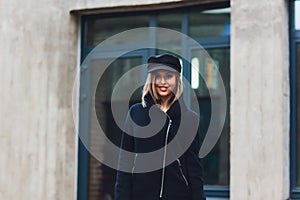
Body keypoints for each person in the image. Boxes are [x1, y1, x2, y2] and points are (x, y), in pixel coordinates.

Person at [114, 54, 206, 200]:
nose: (163, 82)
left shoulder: (189, 119)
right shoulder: (136, 113)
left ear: (177, 79)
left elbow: (194, 169)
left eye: (169, 76)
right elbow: (125, 163)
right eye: (158, 76)